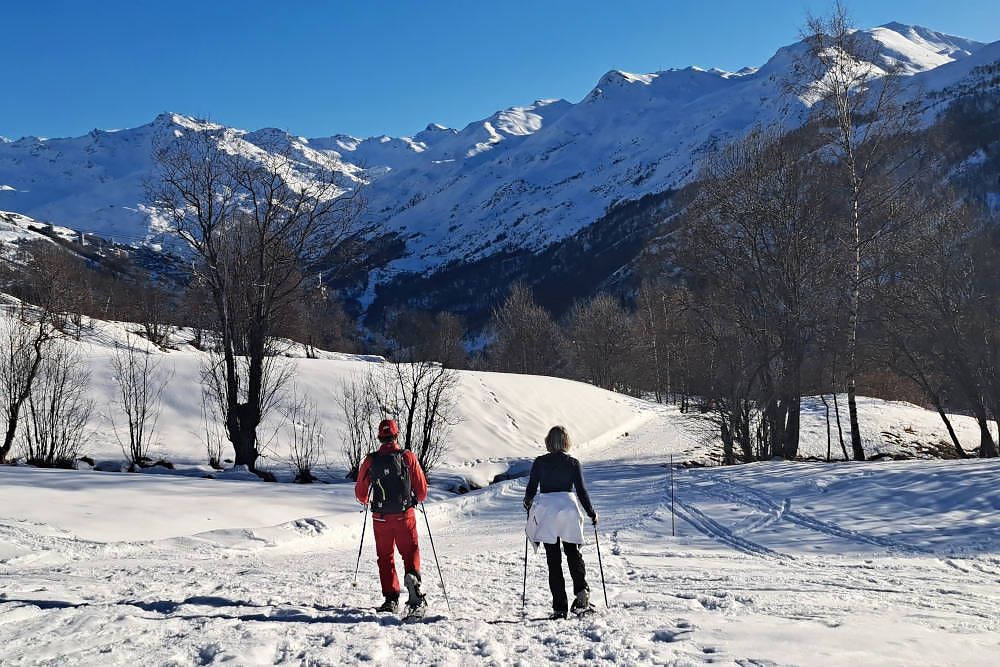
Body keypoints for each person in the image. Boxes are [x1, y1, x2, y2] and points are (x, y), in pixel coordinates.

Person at [354, 418, 429, 614]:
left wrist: (368, 500)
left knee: (385, 557)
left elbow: (361, 495)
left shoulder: (371, 460)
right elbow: (421, 493)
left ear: (380, 437)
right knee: (410, 550)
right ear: (396, 434)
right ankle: (413, 583)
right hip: (405, 515)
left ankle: (391, 599)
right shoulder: (407, 456)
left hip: (380, 518)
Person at [523, 425, 598, 619]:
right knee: (573, 554)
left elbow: (531, 488)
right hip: (569, 509)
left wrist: (528, 503)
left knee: (553, 560)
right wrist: (591, 512)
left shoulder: (540, 462)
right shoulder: (573, 463)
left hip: (547, 510)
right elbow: (582, 491)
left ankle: (559, 608)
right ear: (566, 441)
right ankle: (582, 597)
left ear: (549, 441)